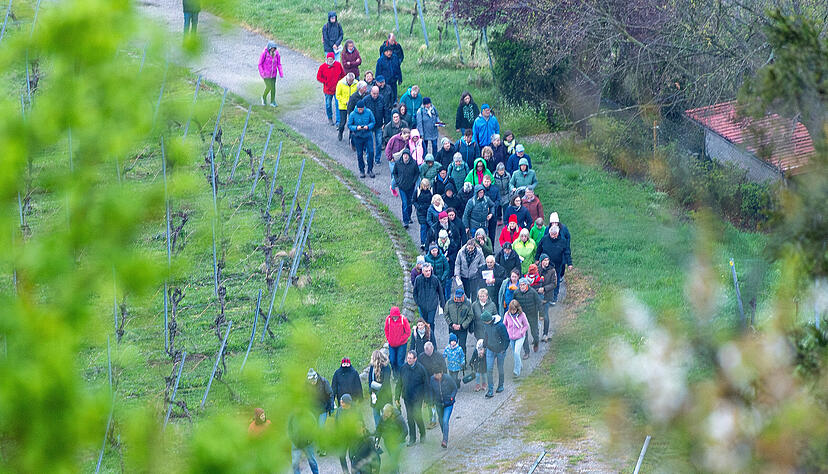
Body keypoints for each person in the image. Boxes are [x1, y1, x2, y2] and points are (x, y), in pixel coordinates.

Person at [536, 222, 572, 305]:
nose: (553, 236)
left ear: (558, 233)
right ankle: (544, 296)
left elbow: (567, 252)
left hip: (557, 265)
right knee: (545, 279)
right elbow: (539, 248)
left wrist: (569, 263)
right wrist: (537, 258)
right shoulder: (544, 239)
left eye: (555, 234)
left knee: (555, 281)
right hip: (546, 264)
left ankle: (554, 297)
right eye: (552, 234)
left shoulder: (563, 241)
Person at [399, 350, 428, 445]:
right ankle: (412, 438)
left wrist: (426, 399)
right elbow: (399, 383)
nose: (409, 360)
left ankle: (422, 434)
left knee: (417, 416)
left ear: (415, 359)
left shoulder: (421, 369)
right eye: (408, 358)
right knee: (410, 418)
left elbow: (426, 384)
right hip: (407, 397)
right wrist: (397, 396)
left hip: (417, 398)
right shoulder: (403, 368)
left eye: (411, 358)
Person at [384, 307, 411, 403]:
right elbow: (386, 330)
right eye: (393, 317)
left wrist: (402, 340)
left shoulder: (403, 320)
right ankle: (395, 375)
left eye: (396, 316)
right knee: (392, 360)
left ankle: (400, 378)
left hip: (401, 345)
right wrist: (389, 339)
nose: (394, 318)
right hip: (392, 344)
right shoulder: (388, 320)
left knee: (400, 361)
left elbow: (408, 332)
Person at [480, 311, 509, 398]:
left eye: (484, 321)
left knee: (500, 368)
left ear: (488, 320)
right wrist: (484, 347)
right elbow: (486, 335)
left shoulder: (500, 326)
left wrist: (503, 349)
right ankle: (490, 390)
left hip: (500, 350)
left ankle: (501, 385)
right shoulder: (486, 325)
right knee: (489, 369)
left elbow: (506, 338)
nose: (484, 323)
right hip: (490, 349)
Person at [413, 262, 445, 340]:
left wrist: (442, 304)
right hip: (422, 305)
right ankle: (423, 338)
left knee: (430, 322)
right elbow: (415, 292)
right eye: (426, 271)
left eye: (429, 271)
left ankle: (431, 338)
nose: (428, 273)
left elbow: (440, 292)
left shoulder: (435, 279)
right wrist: (418, 302)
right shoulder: (418, 279)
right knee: (423, 323)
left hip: (432, 305)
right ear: (423, 271)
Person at [417, 341, 446, 428]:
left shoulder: (439, 356)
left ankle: (441, 417)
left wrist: (444, 381)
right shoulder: (421, 357)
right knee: (430, 402)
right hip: (426, 382)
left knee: (438, 401)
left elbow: (444, 368)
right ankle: (432, 420)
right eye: (426, 350)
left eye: (429, 350)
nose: (427, 352)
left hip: (437, 381)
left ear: (432, 349)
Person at [513, 277, 543, 355]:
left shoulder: (533, 292)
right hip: (521, 315)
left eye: (523, 285)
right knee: (523, 334)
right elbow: (514, 304)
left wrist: (541, 314)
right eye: (520, 285)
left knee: (535, 331)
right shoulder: (516, 293)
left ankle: (536, 342)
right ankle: (527, 352)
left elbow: (539, 303)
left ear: (527, 285)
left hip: (532, 314)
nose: (522, 287)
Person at [391, 148, 419, 229]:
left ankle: (409, 216)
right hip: (402, 187)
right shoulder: (398, 163)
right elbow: (395, 173)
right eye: (404, 155)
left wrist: (413, 181)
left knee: (410, 202)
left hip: (410, 186)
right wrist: (397, 181)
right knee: (404, 203)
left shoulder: (413, 163)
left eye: (407, 155)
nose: (405, 157)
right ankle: (405, 221)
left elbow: (417, 173)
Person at [348, 99, 376, 178]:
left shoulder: (369, 112)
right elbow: (349, 125)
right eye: (359, 109)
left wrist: (368, 126)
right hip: (358, 137)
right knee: (359, 154)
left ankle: (370, 169)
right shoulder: (353, 114)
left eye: (362, 109)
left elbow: (373, 122)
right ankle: (362, 170)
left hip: (368, 136)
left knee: (371, 152)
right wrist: (357, 128)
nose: (360, 110)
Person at [429, 371, 458, 448]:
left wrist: (452, 397)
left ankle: (445, 440)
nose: (436, 376)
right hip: (438, 403)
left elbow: (454, 388)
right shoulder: (432, 379)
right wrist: (431, 402)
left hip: (448, 403)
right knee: (441, 421)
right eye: (434, 374)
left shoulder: (448, 378)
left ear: (441, 373)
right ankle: (445, 433)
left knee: (445, 420)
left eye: (437, 374)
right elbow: (431, 391)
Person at [376, 404, 407, 473]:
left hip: (398, 443)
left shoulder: (398, 418)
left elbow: (405, 431)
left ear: (391, 412)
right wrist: (377, 442)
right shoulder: (383, 418)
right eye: (384, 412)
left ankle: (395, 472)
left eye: (387, 412)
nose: (385, 414)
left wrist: (397, 440)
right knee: (392, 459)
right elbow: (378, 430)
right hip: (388, 443)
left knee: (393, 460)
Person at [502, 299, 529, 376]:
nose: (513, 311)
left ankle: (516, 371)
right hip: (511, 337)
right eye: (511, 310)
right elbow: (504, 325)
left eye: (514, 310)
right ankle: (520, 365)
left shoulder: (522, 315)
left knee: (517, 352)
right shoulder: (507, 315)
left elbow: (526, 325)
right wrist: (507, 332)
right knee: (515, 354)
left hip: (520, 337)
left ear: (517, 309)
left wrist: (522, 332)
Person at [317, 53, 345, 126]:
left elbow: (343, 75)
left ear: (333, 59)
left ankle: (338, 121)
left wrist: (339, 82)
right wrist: (326, 82)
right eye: (329, 59)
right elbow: (318, 77)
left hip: (337, 89)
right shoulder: (322, 67)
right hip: (327, 90)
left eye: (331, 59)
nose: (330, 60)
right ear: (326, 59)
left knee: (338, 104)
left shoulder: (338, 65)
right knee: (328, 104)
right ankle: (330, 118)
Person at [289, 408, 320, 474]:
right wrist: (293, 439)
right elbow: (289, 428)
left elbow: (314, 428)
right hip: (296, 443)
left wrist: (310, 440)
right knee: (295, 463)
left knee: (312, 461)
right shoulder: (292, 415)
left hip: (308, 444)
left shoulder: (309, 415)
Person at [444, 287, 473, 356]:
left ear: (463, 296)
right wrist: (451, 324)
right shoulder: (449, 303)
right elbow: (446, 314)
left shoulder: (468, 304)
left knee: (462, 346)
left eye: (460, 297)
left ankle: (463, 364)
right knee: (452, 346)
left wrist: (462, 326)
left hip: (463, 329)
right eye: (457, 297)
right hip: (452, 329)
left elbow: (470, 316)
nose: (458, 299)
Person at [368, 350, 392, 429]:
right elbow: (370, 381)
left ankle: (387, 432)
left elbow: (386, 383)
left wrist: (376, 393)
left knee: (386, 415)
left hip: (384, 395)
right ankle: (379, 431)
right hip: (376, 395)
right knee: (376, 414)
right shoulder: (372, 367)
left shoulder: (386, 367)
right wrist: (371, 392)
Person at [364, 86, 387, 165]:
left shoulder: (382, 99)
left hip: (379, 124)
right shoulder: (366, 100)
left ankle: (377, 159)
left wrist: (385, 122)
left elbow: (385, 110)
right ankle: (368, 158)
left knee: (379, 143)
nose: (375, 95)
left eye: (377, 94)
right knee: (368, 143)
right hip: (369, 125)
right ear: (371, 92)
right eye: (374, 93)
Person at [537, 253, 557, 342]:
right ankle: (536, 335)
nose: (546, 262)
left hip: (547, 295)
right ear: (541, 261)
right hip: (537, 296)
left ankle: (545, 333)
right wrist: (537, 289)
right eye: (544, 260)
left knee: (545, 315)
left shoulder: (552, 270)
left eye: (547, 260)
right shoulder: (536, 269)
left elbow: (554, 284)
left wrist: (544, 289)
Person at [384, 128, 410, 196]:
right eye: (406, 136)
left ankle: (394, 186)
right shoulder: (394, 138)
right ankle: (392, 187)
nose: (407, 138)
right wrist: (390, 158)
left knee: (397, 175)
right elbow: (388, 148)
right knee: (395, 175)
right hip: (393, 160)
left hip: (401, 160)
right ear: (402, 134)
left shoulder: (407, 141)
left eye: (408, 137)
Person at [258, 41, 283, 107]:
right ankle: (263, 97)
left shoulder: (276, 54)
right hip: (266, 75)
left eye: (274, 48)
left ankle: (272, 101)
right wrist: (262, 73)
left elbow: (279, 64)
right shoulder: (264, 53)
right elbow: (260, 64)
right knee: (268, 87)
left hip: (273, 74)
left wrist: (281, 73)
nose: (273, 50)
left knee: (273, 88)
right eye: (272, 48)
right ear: (269, 48)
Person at [335, 73, 358, 141]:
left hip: (352, 106)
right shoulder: (340, 83)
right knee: (343, 122)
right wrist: (345, 102)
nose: (350, 82)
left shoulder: (356, 83)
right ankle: (340, 132)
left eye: (352, 81)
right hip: (343, 106)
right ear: (346, 79)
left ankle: (351, 137)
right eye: (349, 81)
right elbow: (338, 95)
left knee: (352, 122)